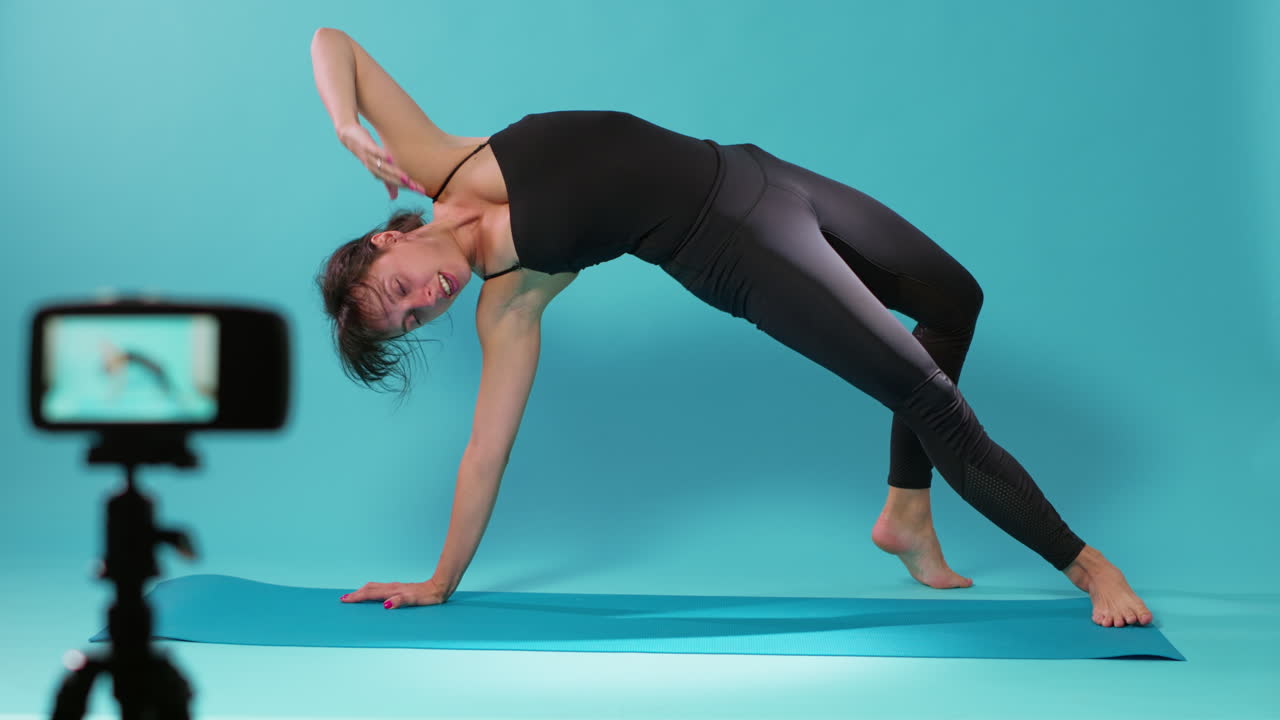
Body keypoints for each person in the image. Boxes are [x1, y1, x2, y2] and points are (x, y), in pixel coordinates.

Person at [311, 28, 1152, 628]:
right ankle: (1087, 566)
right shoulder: (512, 300)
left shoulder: (437, 159)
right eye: (415, 316)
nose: (429, 297)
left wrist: (345, 124)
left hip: (755, 171)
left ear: (390, 236)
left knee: (953, 299)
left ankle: (905, 511)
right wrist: (439, 581)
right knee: (927, 395)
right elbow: (483, 454)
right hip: (738, 252)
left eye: (401, 287)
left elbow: (332, 40)